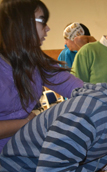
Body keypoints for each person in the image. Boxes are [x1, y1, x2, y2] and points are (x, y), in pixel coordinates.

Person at [0, 0, 84, 153]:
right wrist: (25, 123)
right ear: (22, 22)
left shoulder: (35, 60)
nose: (48, 28)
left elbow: (74, 86)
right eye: (43, 21)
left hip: (21, 151)